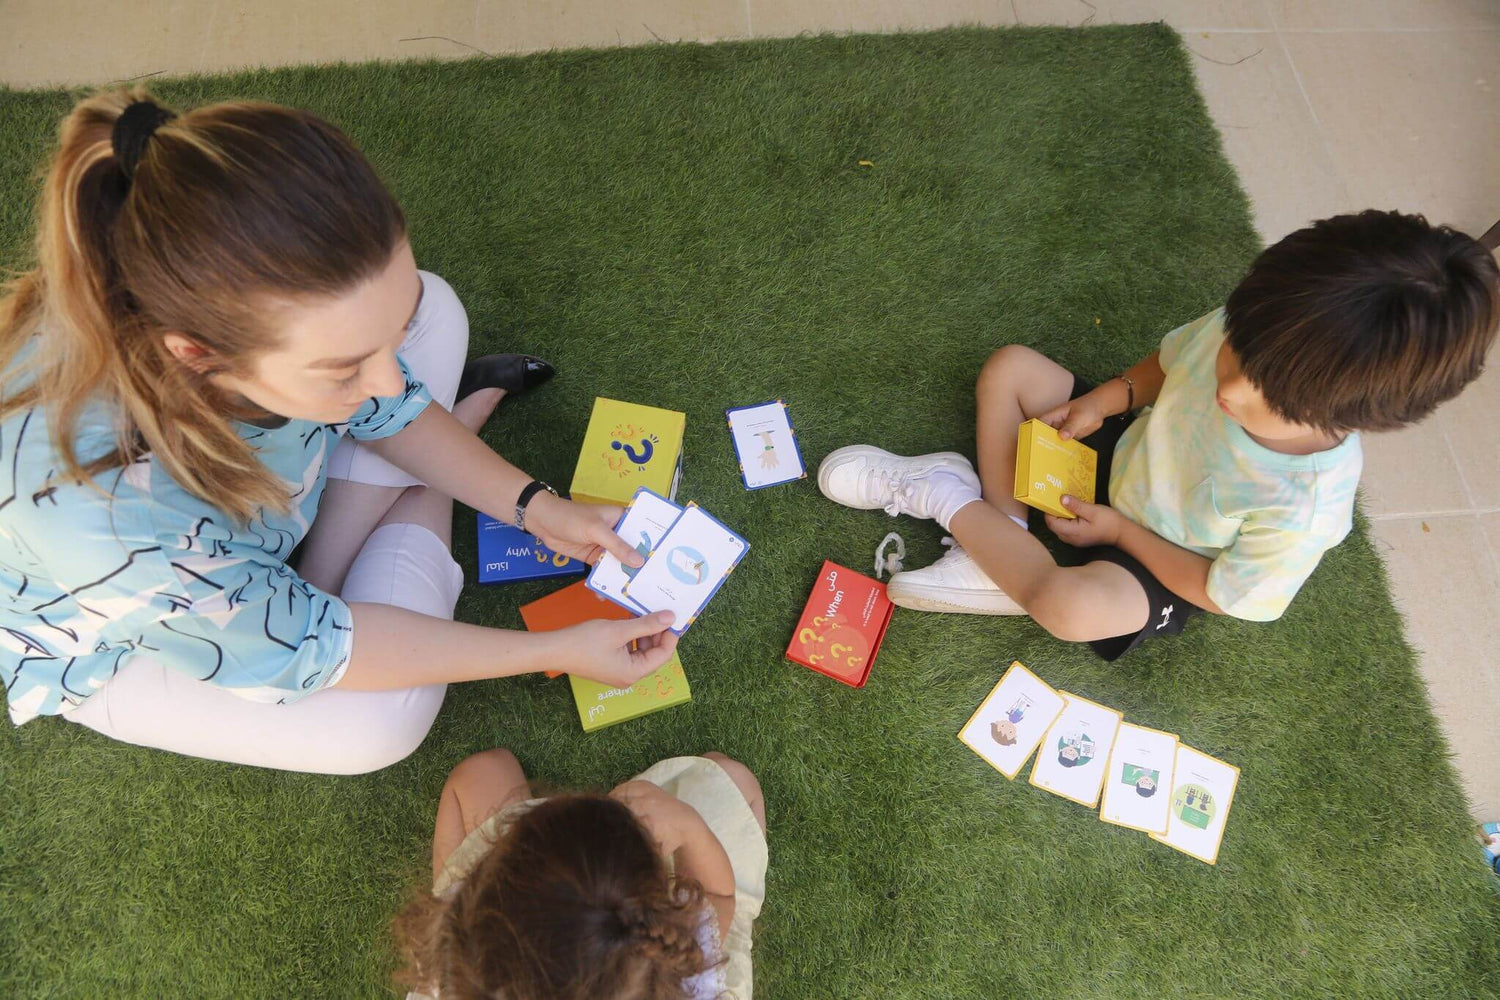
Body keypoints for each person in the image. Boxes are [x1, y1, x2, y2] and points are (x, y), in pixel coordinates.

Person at [0, 89, 677, 773]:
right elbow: (306, 651)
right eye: (345, 368)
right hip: (132, 640)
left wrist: (537, 507)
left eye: (387, 338)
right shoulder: (114, 527)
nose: (390, 385)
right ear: (197, 355)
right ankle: (399, 504)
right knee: (374, 725)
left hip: (247, 544)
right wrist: (557, 649)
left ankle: (318, 575)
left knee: (435, 309)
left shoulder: (210, 315)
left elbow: (391, 406)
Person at [818, 210, 1499, 659]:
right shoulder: (1255, 329)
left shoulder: (1306, 505)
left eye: (1269, 398)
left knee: (1067, 606)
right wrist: (1103, 401)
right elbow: (1168, 365)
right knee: (1011, 370)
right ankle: (1006, 538)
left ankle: (948, 498)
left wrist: (1121, 534)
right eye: (1238, 352)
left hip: (1163, 557)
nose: (1230, 387)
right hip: (1122, 456)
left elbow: (1222, 592)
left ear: (1355, 416)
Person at [392, 748, 768, 1000]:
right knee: (732, 780)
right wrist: (690, 829)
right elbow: (719, 899)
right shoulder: (684, 972)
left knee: (485, 770)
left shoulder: (459, 971)